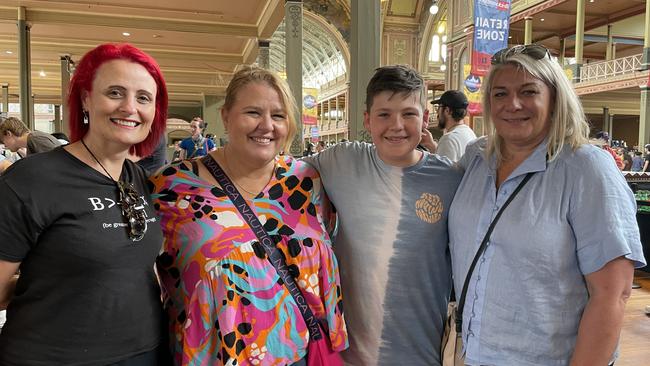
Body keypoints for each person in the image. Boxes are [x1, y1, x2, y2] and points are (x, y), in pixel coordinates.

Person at [449, 44, 646, 366]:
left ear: (554, 98)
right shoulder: (476, 158)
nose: (513, 104)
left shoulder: (586, 168)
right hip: (474, 354)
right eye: (500, 94)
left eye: (528, 92)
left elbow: (612, 294)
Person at [150, 66, 347, 365]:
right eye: (253, 112)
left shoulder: (306, 181)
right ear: (226, 116)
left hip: (299, 357)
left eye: (278, 116)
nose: (266, 126)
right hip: (214, 358)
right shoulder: (172, 187)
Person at [0, 43, 170, 365]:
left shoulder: (137, 178)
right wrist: (47, 285)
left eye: (144, 98)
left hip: (146, 352)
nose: (130, 108)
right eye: (115, 93)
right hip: (53, 356)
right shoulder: (33, 179)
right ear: (85, 99)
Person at [304, 65, 463, 365]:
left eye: (408, 114)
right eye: (384, 114)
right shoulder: (342, 161)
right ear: (367, 119)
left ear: (426, 118)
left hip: (423, 354)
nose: (397, 125)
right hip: (348, 356)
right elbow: (277, 180)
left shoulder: (451, 179)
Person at [430, 90, 477, 162]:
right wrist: (431, 145)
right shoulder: (469, 132)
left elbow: (440, 172)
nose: (437, 112)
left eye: (439, 107)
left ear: (447, 110)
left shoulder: (449, 139)